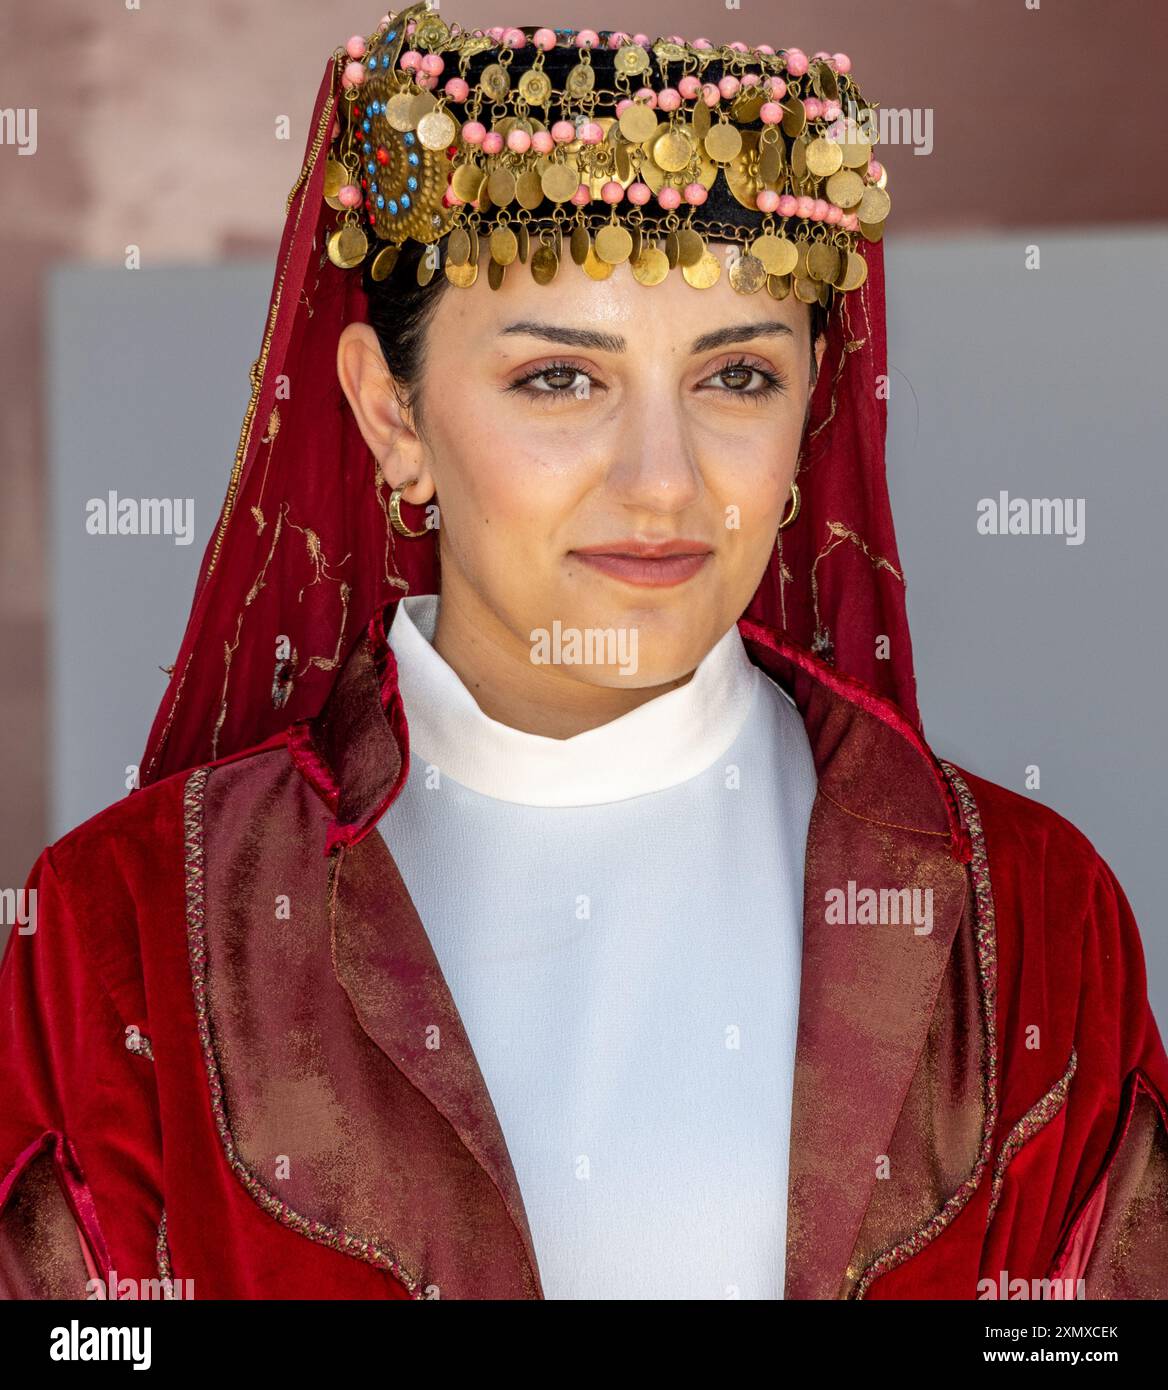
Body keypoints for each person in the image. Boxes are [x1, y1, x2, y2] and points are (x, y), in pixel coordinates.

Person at [1, 7, 1165, 1302]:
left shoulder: (1035, 920)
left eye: (736, 378)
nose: (661, 484)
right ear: (392, 419)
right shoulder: (125, 931)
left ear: (811, 406)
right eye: (560, 379)